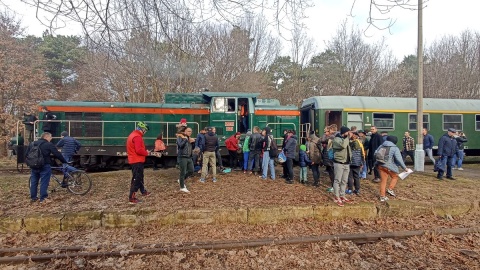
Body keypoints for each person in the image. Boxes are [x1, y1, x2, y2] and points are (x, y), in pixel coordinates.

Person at [27, 132, 68, 204]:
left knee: (33, 182)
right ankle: (43, 198)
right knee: (44, 182)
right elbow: (57, 154)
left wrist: (31, 162)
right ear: (46, 137)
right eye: (50, 137)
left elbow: (26, 154)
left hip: (33, 166)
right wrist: (64, 161)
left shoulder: (32, 143)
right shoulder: (48, 144)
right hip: (44, 165)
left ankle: (33, 198)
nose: (51, 138)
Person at [376, 136, 409, 202]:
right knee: (395, 176)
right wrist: (405, 168)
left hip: (380, 165)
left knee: (383, 181)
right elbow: (399, 159)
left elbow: (375, 153)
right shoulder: (394, 148)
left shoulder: (381, 145)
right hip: (388, 166)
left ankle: (382, 196)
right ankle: (390, 189)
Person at [126, 122, 152, 204]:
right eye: (145, 130)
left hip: (134, 159)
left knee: (140, 176)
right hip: (136, 160)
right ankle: (132, 197)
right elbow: (139, 150)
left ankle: (143, 191)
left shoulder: (133, 135)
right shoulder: (138, 137)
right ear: (142, 129)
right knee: (136, 178)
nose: (145, 132)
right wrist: (146, 152)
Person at [332, 126, 352, 207]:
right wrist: (348, 138)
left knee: (344, 181)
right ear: (344, 132)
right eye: (348, 132)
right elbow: (343, 146)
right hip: (339, 163)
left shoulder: (346, 139)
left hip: (346, 163)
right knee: (337, 180)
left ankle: (342, 195)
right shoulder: (337, 139)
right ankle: (336, 196)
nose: (349, 134)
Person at [177, 126, 195, 192]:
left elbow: (191, 148)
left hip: (189, 157)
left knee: (191, 170)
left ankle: (181, 180)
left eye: (191, 131)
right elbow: (180, 145)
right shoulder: (180, 137)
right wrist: (185, 140)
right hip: (182, 156)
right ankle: (182, 187)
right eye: (189, 131)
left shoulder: (188, 138)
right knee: (183, 172)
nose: (190, 132)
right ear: (185, 131)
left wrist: (193, 142)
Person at [347, 131, 365, 195]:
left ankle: (350, 190)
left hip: (350, 162)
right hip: (357, 162)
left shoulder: (348, 142)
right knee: (356, 176)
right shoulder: (360, 143)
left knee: (350, 176)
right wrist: (362, 162)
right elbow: (362, 153)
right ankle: (357, 189)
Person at [321, 125, 335, 192]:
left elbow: (322, 140)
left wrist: (325, 135)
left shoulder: (331, 138)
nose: (324, 133)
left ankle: (334, 187)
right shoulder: (329, 137)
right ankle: (333, 186)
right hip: (328, 157)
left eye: (325, 131)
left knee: (332, 173)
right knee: (331, 173)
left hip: (330, 158)